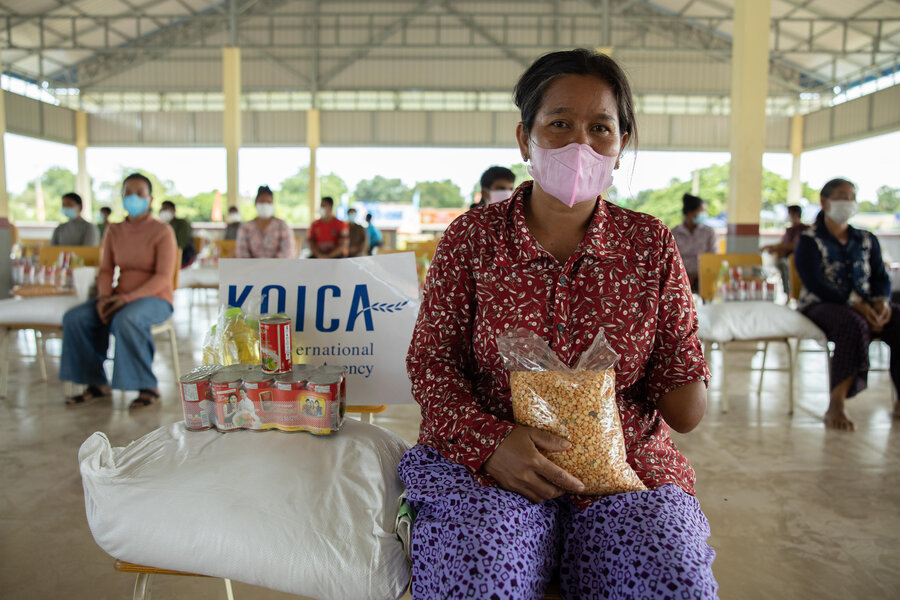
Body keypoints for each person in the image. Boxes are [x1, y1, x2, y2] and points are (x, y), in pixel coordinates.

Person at [401, 48, 718, 599]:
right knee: (477, 579)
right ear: (525, 139)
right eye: (559, 124)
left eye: (601, 128)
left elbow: (684, 405)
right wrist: (492, 443)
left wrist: (682, 360)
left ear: (620, 148)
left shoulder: (649, 245)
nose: (581, 144)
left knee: (672, 582)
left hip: (627, 478)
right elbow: (431, 366)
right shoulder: (472, 239)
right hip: (490, 474)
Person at [60, 173, 177, 409]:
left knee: (127, 319)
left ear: (150, 199)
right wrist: (104, 298)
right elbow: (105, 270)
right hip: (117, 296)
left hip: (154, 298)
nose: (133, 198)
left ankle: (147, 386)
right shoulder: (114, 230)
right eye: (128, 193)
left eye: (139, 193)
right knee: (76, 318)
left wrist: (126, 299)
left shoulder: (162, 232)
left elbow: (163, 277)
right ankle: (96, 382)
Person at [794, 178, 898, 431]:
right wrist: (855, 304)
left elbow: (881, 277)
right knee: (852, 324)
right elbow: (815, 283)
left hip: (867, 304)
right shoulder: (809, 240)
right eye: (842, 196)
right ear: (825, 201)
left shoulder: (866, 239)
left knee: (898, 320)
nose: (848, 202)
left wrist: (882, 302)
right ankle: (837, 404)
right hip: (822, 305)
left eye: (852, 196)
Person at [671, 193, 717, 292]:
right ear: (690, 212)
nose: (705, 214)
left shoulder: (708, 232)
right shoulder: (674, 233)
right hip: (680, 280)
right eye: (702, 211)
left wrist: (698, 275)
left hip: (704, 280)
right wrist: (685, 275)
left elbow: (713, 257)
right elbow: (672, 259)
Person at [236, 186, 295, 258]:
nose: (265, 205)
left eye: (268, 202)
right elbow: (242, 253)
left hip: (277, 267)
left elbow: (286, 252)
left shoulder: (282, 226)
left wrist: (271, 266)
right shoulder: (245, 227)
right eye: (261, 202)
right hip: (251, 268)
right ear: (255, 203)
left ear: (273, 204)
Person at [762, 205, 808, 294]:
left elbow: (794, 246)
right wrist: (770, 247)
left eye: (789, 214)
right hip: (785, 257)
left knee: (784, 264)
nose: (787, 216)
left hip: (797, 259)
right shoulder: (789, 230)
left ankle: (791, 293)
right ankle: (787, 293)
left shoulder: (803, 229)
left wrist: (775, 248)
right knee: (781, 263)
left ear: (795, 214)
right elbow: (783, 244)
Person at [159, 200, 196, 268]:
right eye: (162, 209)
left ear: (173, 211)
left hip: (184, 256)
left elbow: (180, 245)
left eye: (166, 209)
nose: (163, 211)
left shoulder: (182, 224)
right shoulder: (163, 226)